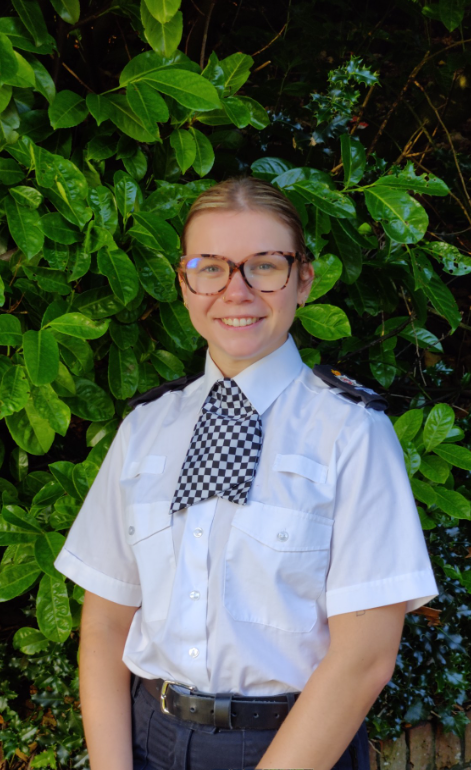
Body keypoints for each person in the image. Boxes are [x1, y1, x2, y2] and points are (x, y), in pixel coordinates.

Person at [54, 177, 439, 770]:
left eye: (264, 266)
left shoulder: (351, 434)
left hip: (291, 747)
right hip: (147, 740)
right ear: (185, 285)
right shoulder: (145, 429)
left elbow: (364, 658)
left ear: (302, 280)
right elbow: (105, 623)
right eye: (210, 268)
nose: (236, 291)